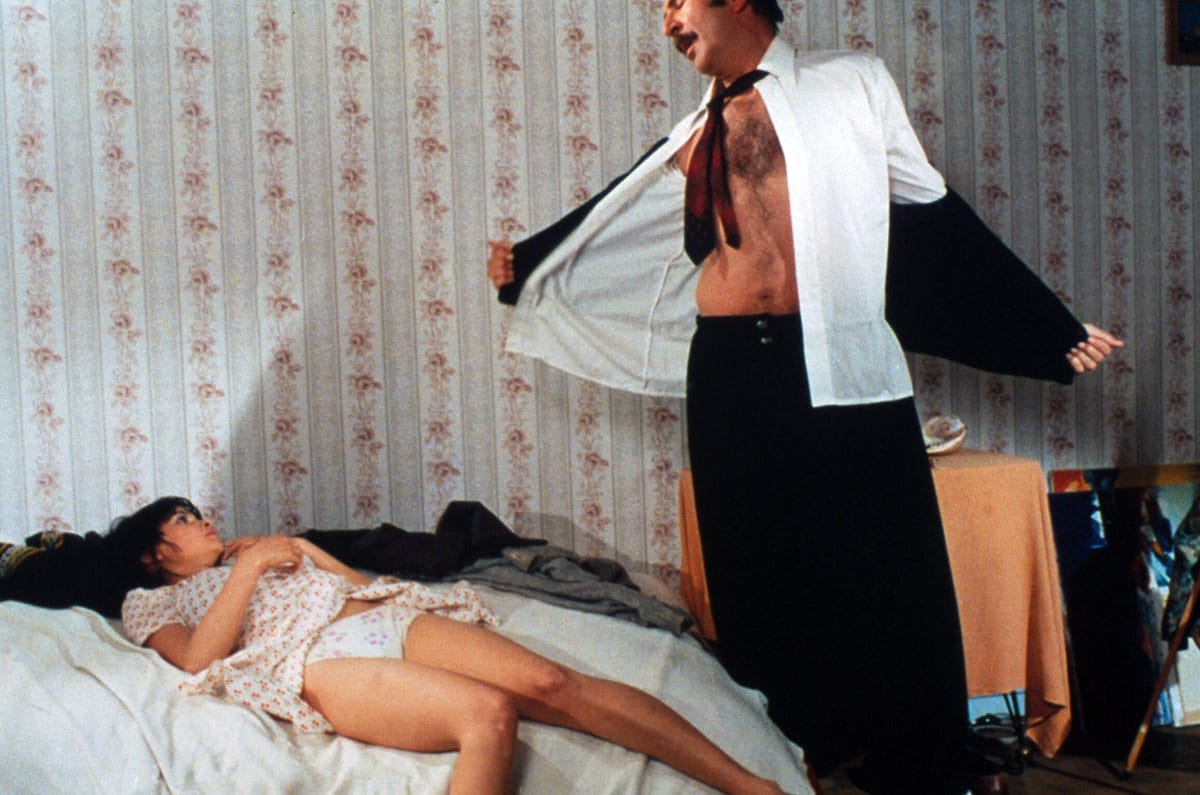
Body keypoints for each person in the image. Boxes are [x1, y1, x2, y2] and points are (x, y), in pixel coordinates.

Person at [487, 1, 1122, 792]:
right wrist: (530, 263)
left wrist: (1042, 326)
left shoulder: (850, 82)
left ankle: (919, 766)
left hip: (838, 356)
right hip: (728, 367)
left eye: (678, 2)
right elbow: (611, 215)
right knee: (756, 572)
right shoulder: (696, 128)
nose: (667, 23)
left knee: (889, 569)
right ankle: (788, 760)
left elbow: (933, 211)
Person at [110, 496, 790, 795]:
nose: (206, 523)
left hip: (383, 616)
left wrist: (301, 552)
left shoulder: (257, 555)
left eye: (200, 514)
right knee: (488, 715)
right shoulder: (151, 601)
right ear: (152, 553)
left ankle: (751, 786)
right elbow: (197, 658)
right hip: (321, 660)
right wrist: (252, 568)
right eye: (185, 520)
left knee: (554, 683)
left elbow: (360, 584)